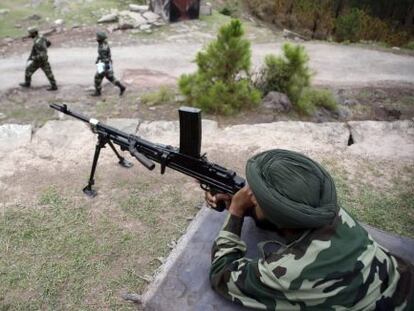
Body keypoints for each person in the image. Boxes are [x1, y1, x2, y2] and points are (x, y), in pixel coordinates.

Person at [206, 149, 413, 310]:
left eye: (254, 197)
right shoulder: (330, 212)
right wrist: (250, 207)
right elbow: (282, 219)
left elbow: (222, 275)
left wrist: (236, 211)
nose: (248, 195)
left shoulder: (286, 272)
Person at [19, 27, 58, 91]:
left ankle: (27, 83)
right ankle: (54, 86)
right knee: (48, 73)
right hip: (43, 59)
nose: (29, 34)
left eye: (30, 33)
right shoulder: (41, 36)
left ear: (34, 33)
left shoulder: (37, 43)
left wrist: (33, 57)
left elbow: (41, 55)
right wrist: (44, 48)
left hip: (39, 60)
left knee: (29, 70)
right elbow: (49, 43)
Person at [92, 31, 126, 97]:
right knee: (111, 78)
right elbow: (102, 55)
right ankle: (122, 87)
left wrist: (103, 68)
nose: (96, 38)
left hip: (104, 64)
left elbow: (104, 58)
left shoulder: (102, 48)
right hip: (107, 63)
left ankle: (98, 92)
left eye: (97, 37)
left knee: (97, 78)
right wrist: (98, 59)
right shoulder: (103, 43)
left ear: (100, 38)